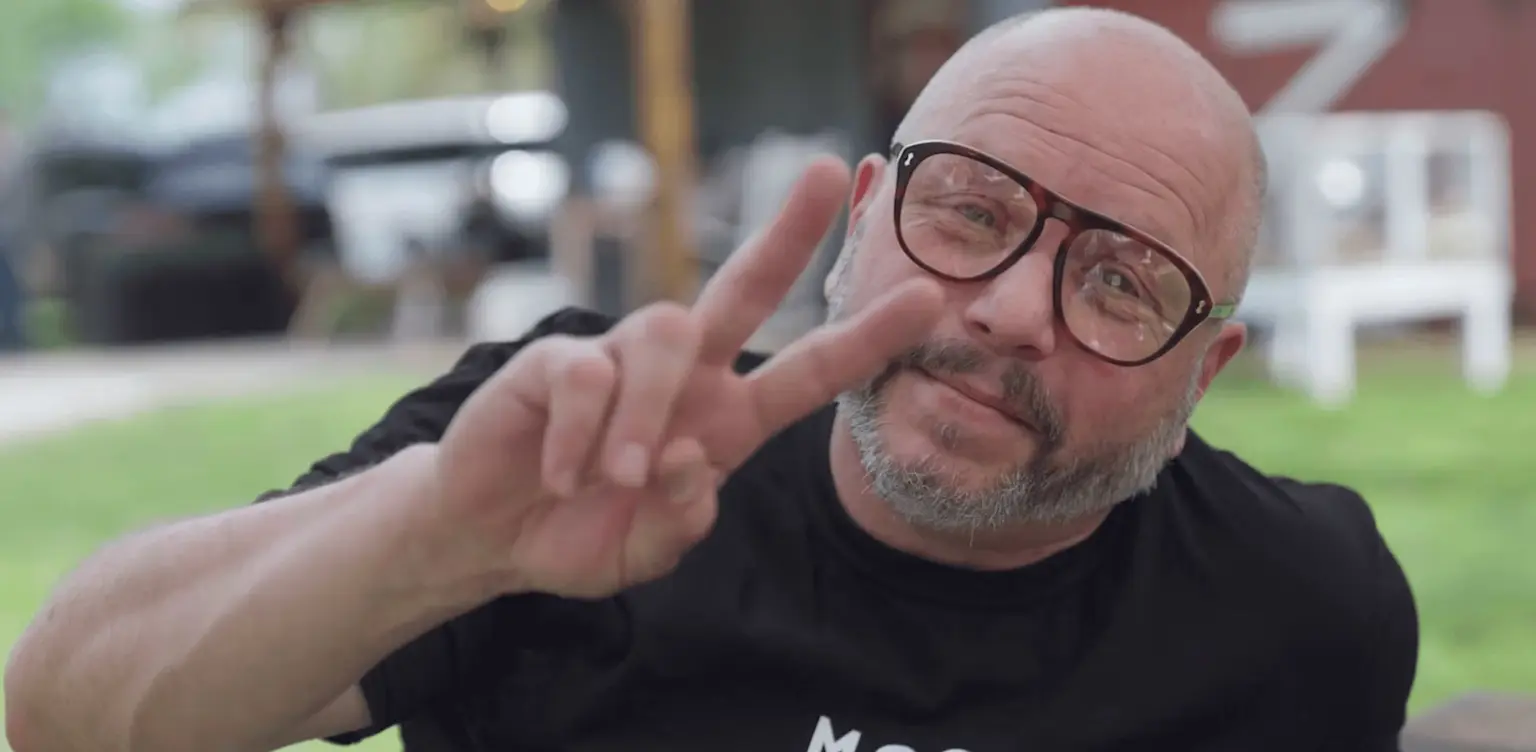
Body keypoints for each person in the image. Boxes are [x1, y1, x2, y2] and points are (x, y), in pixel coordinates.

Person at [4, 8, 1418, 752]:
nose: (1008, 310)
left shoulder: (1299, 612)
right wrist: (437, 539)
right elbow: (69, 714)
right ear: (865, 219)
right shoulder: (578, 436)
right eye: (972, 212)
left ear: (1203, 372)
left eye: (1119, 283)